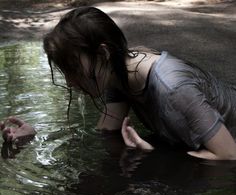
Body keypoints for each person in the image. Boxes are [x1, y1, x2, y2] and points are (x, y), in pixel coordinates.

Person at [1, 7, 236, 161]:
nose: (71, 82)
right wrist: (37, 137)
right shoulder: (118, 72)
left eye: (73, 70)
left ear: (102, 54)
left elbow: (228, 156)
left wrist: (154, 157)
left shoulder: (173, 88)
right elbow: (105, 135)